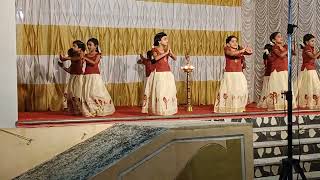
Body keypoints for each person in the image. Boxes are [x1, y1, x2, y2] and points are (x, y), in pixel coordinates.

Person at [214, 35, 253, 113]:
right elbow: (232, 54)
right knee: (230, 91)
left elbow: (249, 52)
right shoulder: (227, 48)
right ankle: (228, 108)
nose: (235, 43)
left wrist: (248, 50)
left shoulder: (239, 49)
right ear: (228, 44)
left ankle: (238, 107)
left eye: (236, 41)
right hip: (230, 74)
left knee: (241, 90)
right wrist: (242, 50)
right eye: (232, 41)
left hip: (239, 74)